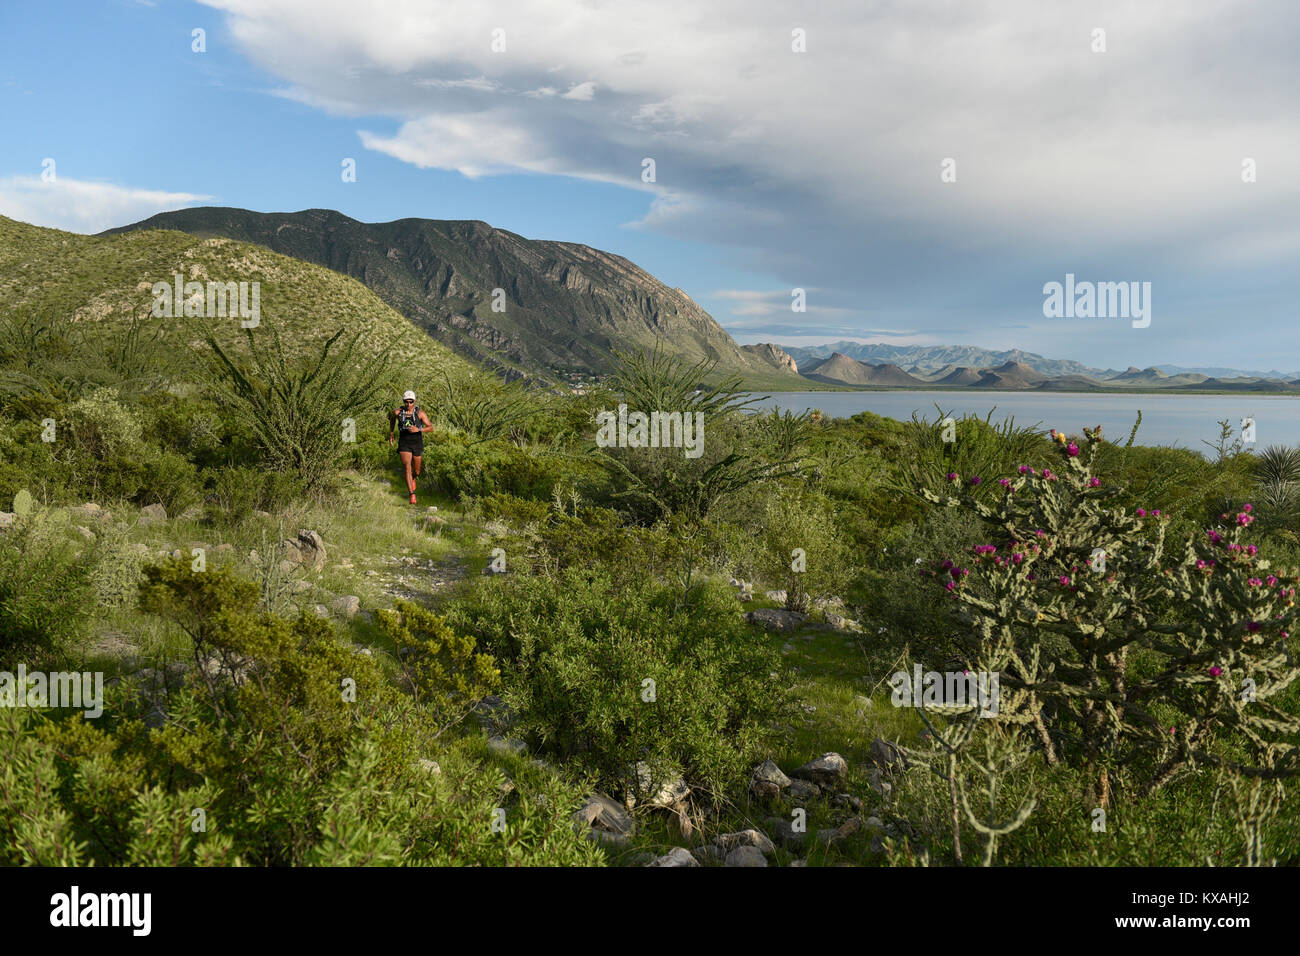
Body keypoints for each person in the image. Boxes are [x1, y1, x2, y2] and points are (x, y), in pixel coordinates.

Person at [389, 390, 432, 504]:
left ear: (414, 401)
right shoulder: (398, 412)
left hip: (417, 443)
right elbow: (392, 420)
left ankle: (413, 478)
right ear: (403, 401)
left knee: (417, 471)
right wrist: (391, 433)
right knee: (407, 467)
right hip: (404, 443)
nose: (408, 404)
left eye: (411, 401)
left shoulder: (420, 413)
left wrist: (419, 429)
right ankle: (412, 494)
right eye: (406, 402)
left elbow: (430, 427)